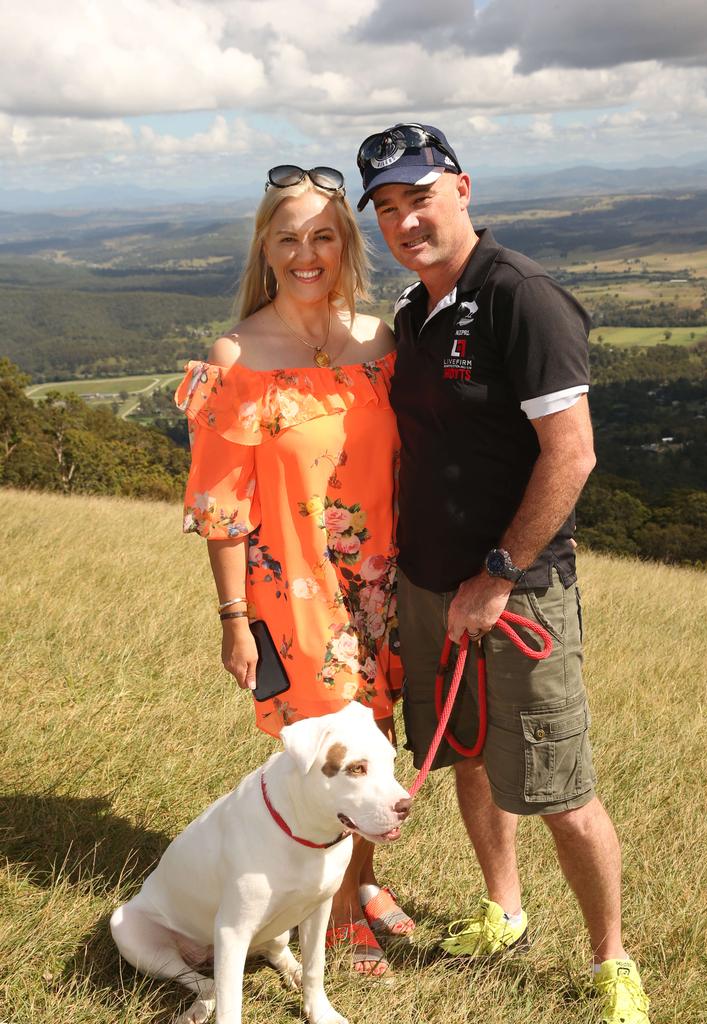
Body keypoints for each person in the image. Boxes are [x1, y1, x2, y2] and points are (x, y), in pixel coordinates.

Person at [355, 124, 651, 1023]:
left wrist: (498, 573)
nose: (406, 220)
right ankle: (505, 910)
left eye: (421, 196)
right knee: (469, 756)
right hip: (428, 584)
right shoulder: (416, 311)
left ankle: (612, 964)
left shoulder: (524, 298)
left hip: (515, 589)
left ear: (463, 188)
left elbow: (573, 454)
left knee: (561, 787)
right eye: (388, 208)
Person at [175, 164, 413, 978]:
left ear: (344, 244)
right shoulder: (237, 355)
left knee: (375, 749)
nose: (307, 252)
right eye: (289, 238)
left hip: (381, 589)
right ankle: (338, 914)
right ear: (266, 249)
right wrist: (233, 618)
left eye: (323, 235)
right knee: (329, 755)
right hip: (293, 597)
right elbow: (220, 505)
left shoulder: (382, 339)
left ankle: (364, 883)